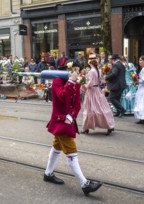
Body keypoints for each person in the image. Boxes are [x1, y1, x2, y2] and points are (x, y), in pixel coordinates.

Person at [44, 60, 102, 196]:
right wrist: (70, 82)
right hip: (60, 122)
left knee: (57, 146)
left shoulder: (75, 83)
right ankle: (84, 184)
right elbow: (63, 96)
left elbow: (77, 103)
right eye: (73, 69)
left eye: (77, 69)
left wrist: (72, 116)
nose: (76, 72)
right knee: (71, 151)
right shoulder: (58, 81)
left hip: (68, 121)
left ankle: (48, 173)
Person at [81, 54, 115, 136]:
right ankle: (109, 125)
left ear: (90, 62)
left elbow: (90, 84)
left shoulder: (91, 71)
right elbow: (101, 81)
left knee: (90, 109)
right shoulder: (99, 70)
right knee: (101, 108)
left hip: (92, 91)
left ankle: (86, 128)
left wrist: (83, 85)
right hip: (97, 90)